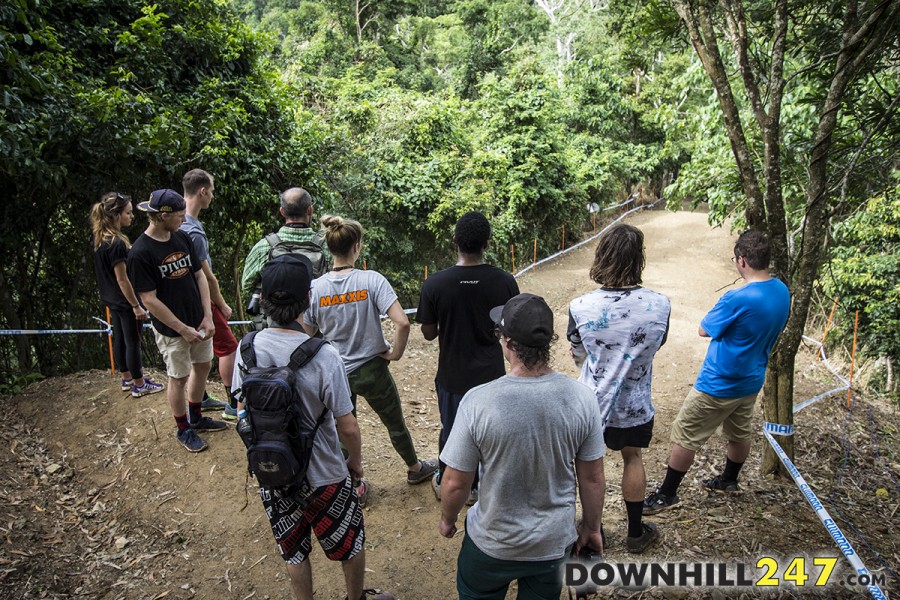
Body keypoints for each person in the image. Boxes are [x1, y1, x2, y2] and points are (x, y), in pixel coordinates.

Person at [231, 254, 394, 600]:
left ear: (262, 299)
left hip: (273, 471)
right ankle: (356, 597)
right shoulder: (323, 355)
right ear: (308, 298)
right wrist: (355, 463)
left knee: (293, 549)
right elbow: (346, 424)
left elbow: (241, 411)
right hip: (325, 475)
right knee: (348, 542)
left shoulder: (247, 350)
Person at [438, 293, 606, 600]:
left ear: (507, 342)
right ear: (549, 342)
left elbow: (454, 482)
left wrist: (448, 520)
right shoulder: (583, 399)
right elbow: (592, 478)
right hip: (552, 545)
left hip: (491, 543)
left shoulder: (478, 401)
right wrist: (592, 528)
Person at [644, 230, 790, 513]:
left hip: (718, 381)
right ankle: (729, 480)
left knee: (686, 434)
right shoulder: (782, 291)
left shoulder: (737, 298)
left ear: (742, 261)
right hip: (751, 380)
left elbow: (703, 329)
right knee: (739, 432)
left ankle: (667, 494)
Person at [303, 216, 437, 505]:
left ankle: (354, 484)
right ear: (357, 247)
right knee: (394, 423)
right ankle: (414, 468)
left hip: (335, 371)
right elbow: (402, 323)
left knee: (342, 427)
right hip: (373, 368)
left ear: (330, 249)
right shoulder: (371, 279)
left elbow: (307, 334)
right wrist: (395, 353)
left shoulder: (315, 289)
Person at [568, 223, 670, 554]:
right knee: (633, 458)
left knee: (588, 469)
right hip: (635, 405)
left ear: (602, 256)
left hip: (590, 404)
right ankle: (636, 533)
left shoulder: (580, 306)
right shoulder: (660, 305)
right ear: (638, 259)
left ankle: (589, 529)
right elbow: (656, 345)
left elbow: (578, 353)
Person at [416, 211, 519, 503]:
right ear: (486, 242)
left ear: (455, 241)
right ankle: (484, 484)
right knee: (492, 431)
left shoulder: (435, 284)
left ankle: (452, 483)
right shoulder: (504, 281)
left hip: (452, 375)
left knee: (453, 430)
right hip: (491, 375)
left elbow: (428, 333)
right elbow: (509, 327)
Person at [127, 189, 228, 453]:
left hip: (198, 321)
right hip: (172, 330)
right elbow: (148, 299)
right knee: (179, 376)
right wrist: (182, 329)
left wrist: (208, 316)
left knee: (204, 365)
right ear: (162, 216)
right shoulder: (140, 252)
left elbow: (200, 277)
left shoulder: (182, 238)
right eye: (179, 215)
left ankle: (197, 415)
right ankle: (183, 428)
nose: (184, 219)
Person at [90, 192, 163, 398]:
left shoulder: (100, 240)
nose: (132, 216)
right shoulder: (116, 244)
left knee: (121, 338)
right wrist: (136, 305)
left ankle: (127, 377)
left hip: (111, 299)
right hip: (125, 300)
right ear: (116, 215)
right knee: (133, 341)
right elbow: (123, 279)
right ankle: (139, 384)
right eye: (128, 213)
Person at [180, 169, 238, 420]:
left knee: (199, 353)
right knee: (228, 348)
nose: (212, 196)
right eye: (212, 191)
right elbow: (206, 275)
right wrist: (221, 304)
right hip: (203, 299)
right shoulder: (192, 230)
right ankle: (233, 403)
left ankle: (200, 397)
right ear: (202, 191)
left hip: (183, 299)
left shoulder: (177, 221)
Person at [241, 187, 332, 302]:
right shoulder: (327, 245)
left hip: (276, 317)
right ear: (309, 210)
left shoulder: (264, 246)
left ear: (282, 212)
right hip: (315, 316)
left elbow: (247, 285)